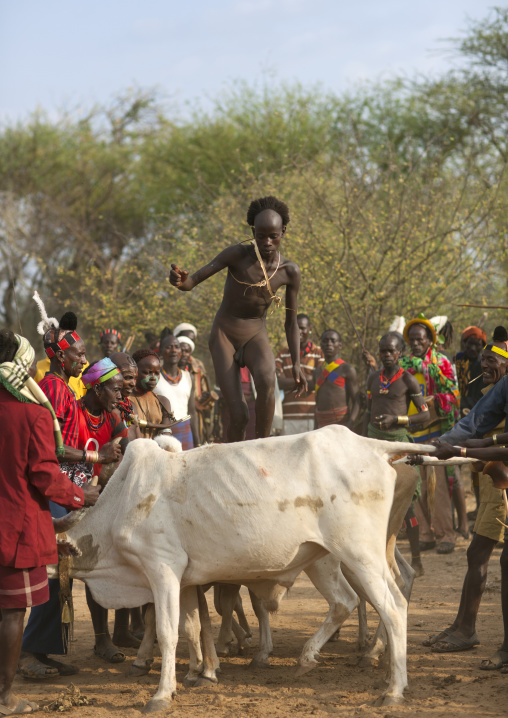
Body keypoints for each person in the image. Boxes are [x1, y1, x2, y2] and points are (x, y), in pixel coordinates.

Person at [0, 330, 99, 717]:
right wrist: (80, 496)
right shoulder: (33, 414)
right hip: (17, 529)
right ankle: (6, 697)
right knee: (11, 613)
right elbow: (44, 473)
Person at [20, 314, 122, 675]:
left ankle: (43, 650)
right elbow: (50, 447)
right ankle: (28, 654)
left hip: (65, 488)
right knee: (51, 569)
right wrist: (98, 456)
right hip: (53, 488)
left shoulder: (64, 388)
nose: (84, 358)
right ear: (62, 358)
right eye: (78, 354)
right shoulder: (54, 388)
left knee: (61, 571)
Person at [169, 195, 306, 442]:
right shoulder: (236, 255)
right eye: (260, 235)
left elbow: (291, 322)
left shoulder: (290, 271)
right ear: (253, 231)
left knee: (267, 380)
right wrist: (181, 281)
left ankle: (261, 450)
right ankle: (231, 459)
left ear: (283, 232)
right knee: (240, 414)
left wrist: (296, 363)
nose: (266, 242)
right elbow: (193, 281)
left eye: (272, 236)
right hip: (225, 334)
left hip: (255, 333)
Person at [424, 332, 508, 656]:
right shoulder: (490, 389)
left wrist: (458, 446)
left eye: (492, 361)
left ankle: (468, 630)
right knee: (477, 554)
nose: (484, 364)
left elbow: (482, 435)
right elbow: (472, 423)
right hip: (489, 476)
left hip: (501, 480)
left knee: (482, 554)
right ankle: (462, 626)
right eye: (482, 360)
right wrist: (439, 445)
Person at [364, 332, 430, 575]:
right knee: (370, 499)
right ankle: (375, 556)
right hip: (373, 444)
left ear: (400, 353)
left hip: (398, 444)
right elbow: (367, 412)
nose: (387, 355)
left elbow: (424, 415)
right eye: (383, 351)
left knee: (407, 505)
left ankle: (416, 558)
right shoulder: (373, 379)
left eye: (391, 351)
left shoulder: (408, 381)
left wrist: (398, 419)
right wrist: (362, 442)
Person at [400, 315, 460, 555]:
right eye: (412, 339)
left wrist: (433, 403)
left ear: (430, 340)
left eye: (420, 339)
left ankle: (447, 534)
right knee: (416, 485)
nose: (415, 343)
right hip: (411, 432)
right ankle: (425, 534)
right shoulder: (401, 365)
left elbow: (454, 395)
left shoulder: (442, 363)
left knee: (439, 487)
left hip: (436, 431)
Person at [275, 313, 324, 435]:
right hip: (287, 417)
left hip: (312, 416)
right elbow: (278, 383)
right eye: (296, 328)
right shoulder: (282, 354)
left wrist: (289, 381)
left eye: (302, 328)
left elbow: (317, 383)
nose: (299, 331)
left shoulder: (319, 353)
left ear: (309, 329)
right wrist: (305, 379)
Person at [154, 336, 199, 450]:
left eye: (177, 347)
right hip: (162, 431)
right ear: (161, 351)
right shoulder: (154, 377)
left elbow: (192, 412)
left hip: (185, 430)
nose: (173, 350)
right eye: (169, 347)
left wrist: (198, 442)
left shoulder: (189, 377)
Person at [314, 330, 359, 429]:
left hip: (341, 423)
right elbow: (317, 403)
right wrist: (314, 428)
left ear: (340, 345)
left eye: (333, 341)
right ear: (321, 345)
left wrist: (349, 425)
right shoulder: (317, 371)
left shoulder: (347, 370)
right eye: (325, 341)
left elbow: (357, 401)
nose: (329, 344)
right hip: (321, 423)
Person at [176, 333, 216, 444]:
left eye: (187, 351)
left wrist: (204, 397)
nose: (184, 354)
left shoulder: (196, 369)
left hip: (196, 416)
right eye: (181, 350)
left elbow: (205, 391)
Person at [130, 349, 175, 439]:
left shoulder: (162, 402)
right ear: (135, 372)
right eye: (147, 373)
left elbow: (166, 438)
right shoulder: (126, 399)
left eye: (157, 373)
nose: (153, 378)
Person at [455, 326, 487, 416]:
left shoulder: (485, 367)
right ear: (464, 343)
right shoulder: (456, 361)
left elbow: (483, 397)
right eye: (470, 343)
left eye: (477, 345)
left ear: (482, 347)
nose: (473, 348)